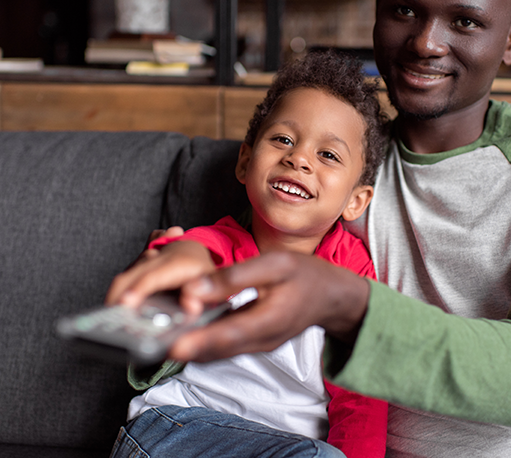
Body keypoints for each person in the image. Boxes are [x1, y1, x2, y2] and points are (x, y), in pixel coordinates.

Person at [110, 0, 511, 457]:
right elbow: (227, 254)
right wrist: (170, 272)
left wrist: (352, 308)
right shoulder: (340, 167)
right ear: (379, 12)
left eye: (466, 22)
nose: (426, 42)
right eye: (405, 10)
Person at [106, 49, 390, 458]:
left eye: (328, 155)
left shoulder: (355, 281)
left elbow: (362, 401)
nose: (299, 158)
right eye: (283, 140)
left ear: (356, 201)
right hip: (174, 431)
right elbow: (193, 253)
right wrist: (169, 259)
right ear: (245, 161)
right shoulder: (223, 245)